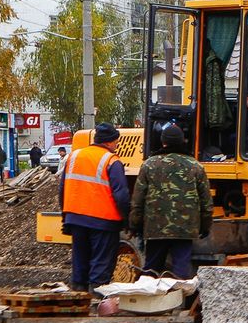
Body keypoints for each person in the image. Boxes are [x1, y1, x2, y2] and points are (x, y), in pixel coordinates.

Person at [129, 124, 212, 279]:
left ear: (163, 142)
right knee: (181, 271)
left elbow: (137, 200)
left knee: (151, 270)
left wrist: (135, 226)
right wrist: (205, 226)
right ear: (182, 141)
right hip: (185, 229)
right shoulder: (196, 166)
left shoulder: (149, 165)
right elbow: (206, 202)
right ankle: (179, 293)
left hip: (155, 228)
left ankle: (148, 292)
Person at [60, 123, 130, 294]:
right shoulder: (111, 161)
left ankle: (79, 294)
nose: (116, 146)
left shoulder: (74, 156)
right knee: (101, 262)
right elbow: (121, 195)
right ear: (109, 142)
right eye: (116, 142)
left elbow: (62, 188)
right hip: (103, 220)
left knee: (80, 260)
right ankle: (97, 296)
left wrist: (65, 214)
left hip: (76, 218)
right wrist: (127, 219)